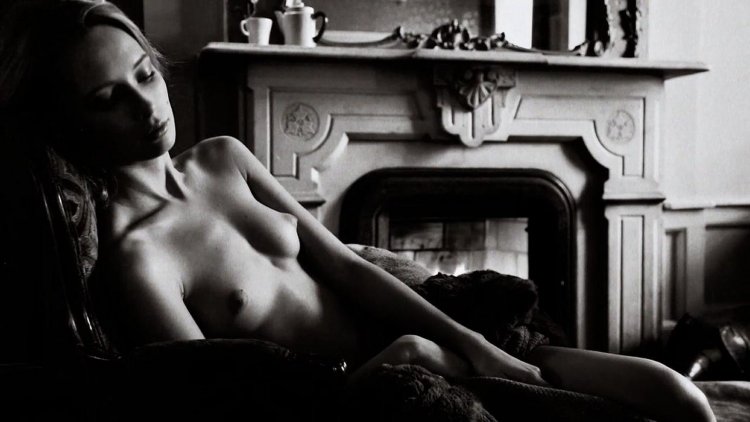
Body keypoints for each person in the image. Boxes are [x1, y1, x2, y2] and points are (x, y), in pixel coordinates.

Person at [0, 1, 715, 421]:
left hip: (438, 339)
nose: (146, 105)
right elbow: (226, 402)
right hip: (392, 396)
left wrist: (480, 347)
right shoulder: (137, 259)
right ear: (67, 123)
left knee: (682, 400)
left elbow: (344, 265)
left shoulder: (223, 158)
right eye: (109, 99)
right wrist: (401, 364)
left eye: (145, 74)